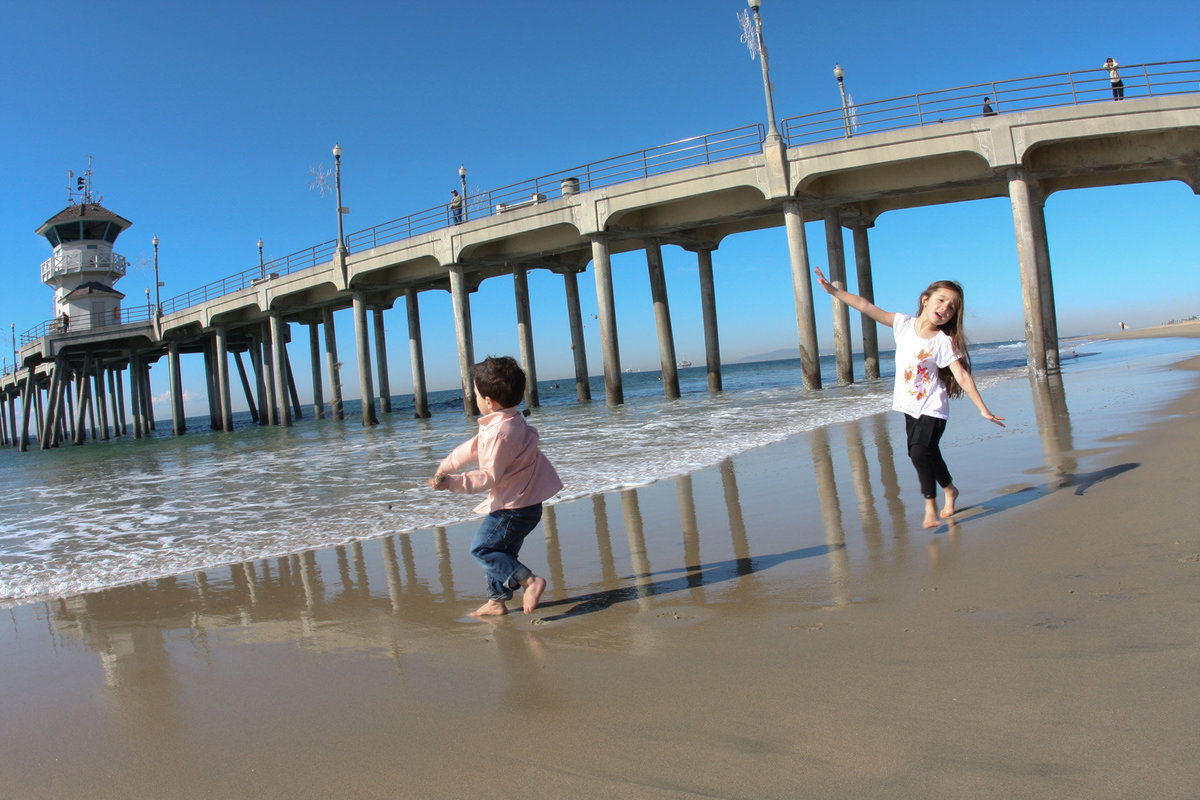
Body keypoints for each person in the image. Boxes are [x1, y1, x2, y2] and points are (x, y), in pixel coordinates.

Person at [814, 267, 1005, 529]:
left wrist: (983, 409)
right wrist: (834, 291)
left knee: (918, 452)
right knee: (926, 453)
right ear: (925, 299)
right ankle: (950, 490)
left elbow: (961, 376)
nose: (945, 309)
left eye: (951, 307)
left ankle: (930, 506)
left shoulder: (943, 341)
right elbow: (866, 306)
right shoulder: (903, 325)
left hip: (933, 406)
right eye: (941, 301)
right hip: (909, 405)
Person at [428, 355, 562, 616]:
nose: (475, 400)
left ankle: (529, 581)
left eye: (476, 395)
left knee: (483, 548)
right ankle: (496, 601)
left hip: (513, 508)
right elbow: (472, 448)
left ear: (488, 402)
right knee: (501, 553)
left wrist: (452, 483)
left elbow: (488, 476)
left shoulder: (498, 433)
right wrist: (445, 466)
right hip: (527, 504)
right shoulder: (510, 422)